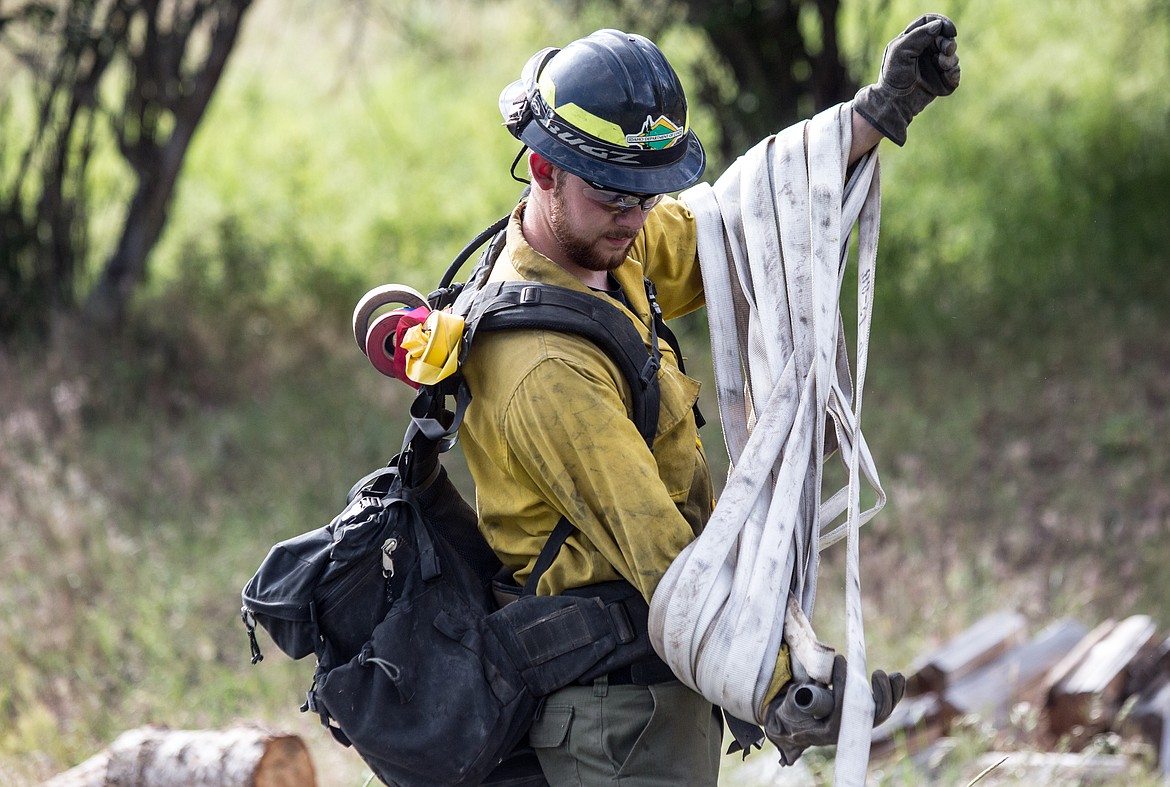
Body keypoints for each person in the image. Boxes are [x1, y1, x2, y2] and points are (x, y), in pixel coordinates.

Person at [458, 18, 960, 785]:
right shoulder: (543, 366)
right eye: (613, 196)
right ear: (542, 168)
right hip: (616, 722)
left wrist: (871, 117)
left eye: (645, 194)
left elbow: (738, 221)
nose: (634, 219)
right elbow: (667, 558)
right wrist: (789, 677)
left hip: (656, 690)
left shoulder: (601, 245)